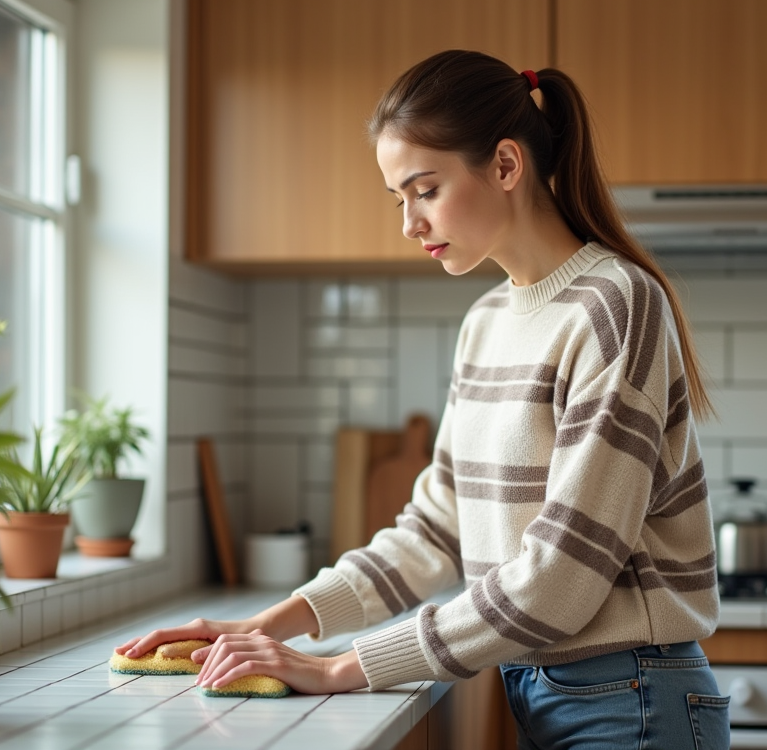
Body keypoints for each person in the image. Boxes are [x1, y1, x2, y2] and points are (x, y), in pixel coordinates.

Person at [117, 49, 730, 749]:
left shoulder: (614, 306)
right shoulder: (486, 323)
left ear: (505, 166)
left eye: (425, 189)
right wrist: (268, 625)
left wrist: (344, 667)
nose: (408, 222)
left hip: (632, 697)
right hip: (547, 688)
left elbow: (561, 579)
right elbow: (437, 530)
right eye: (398, 198)